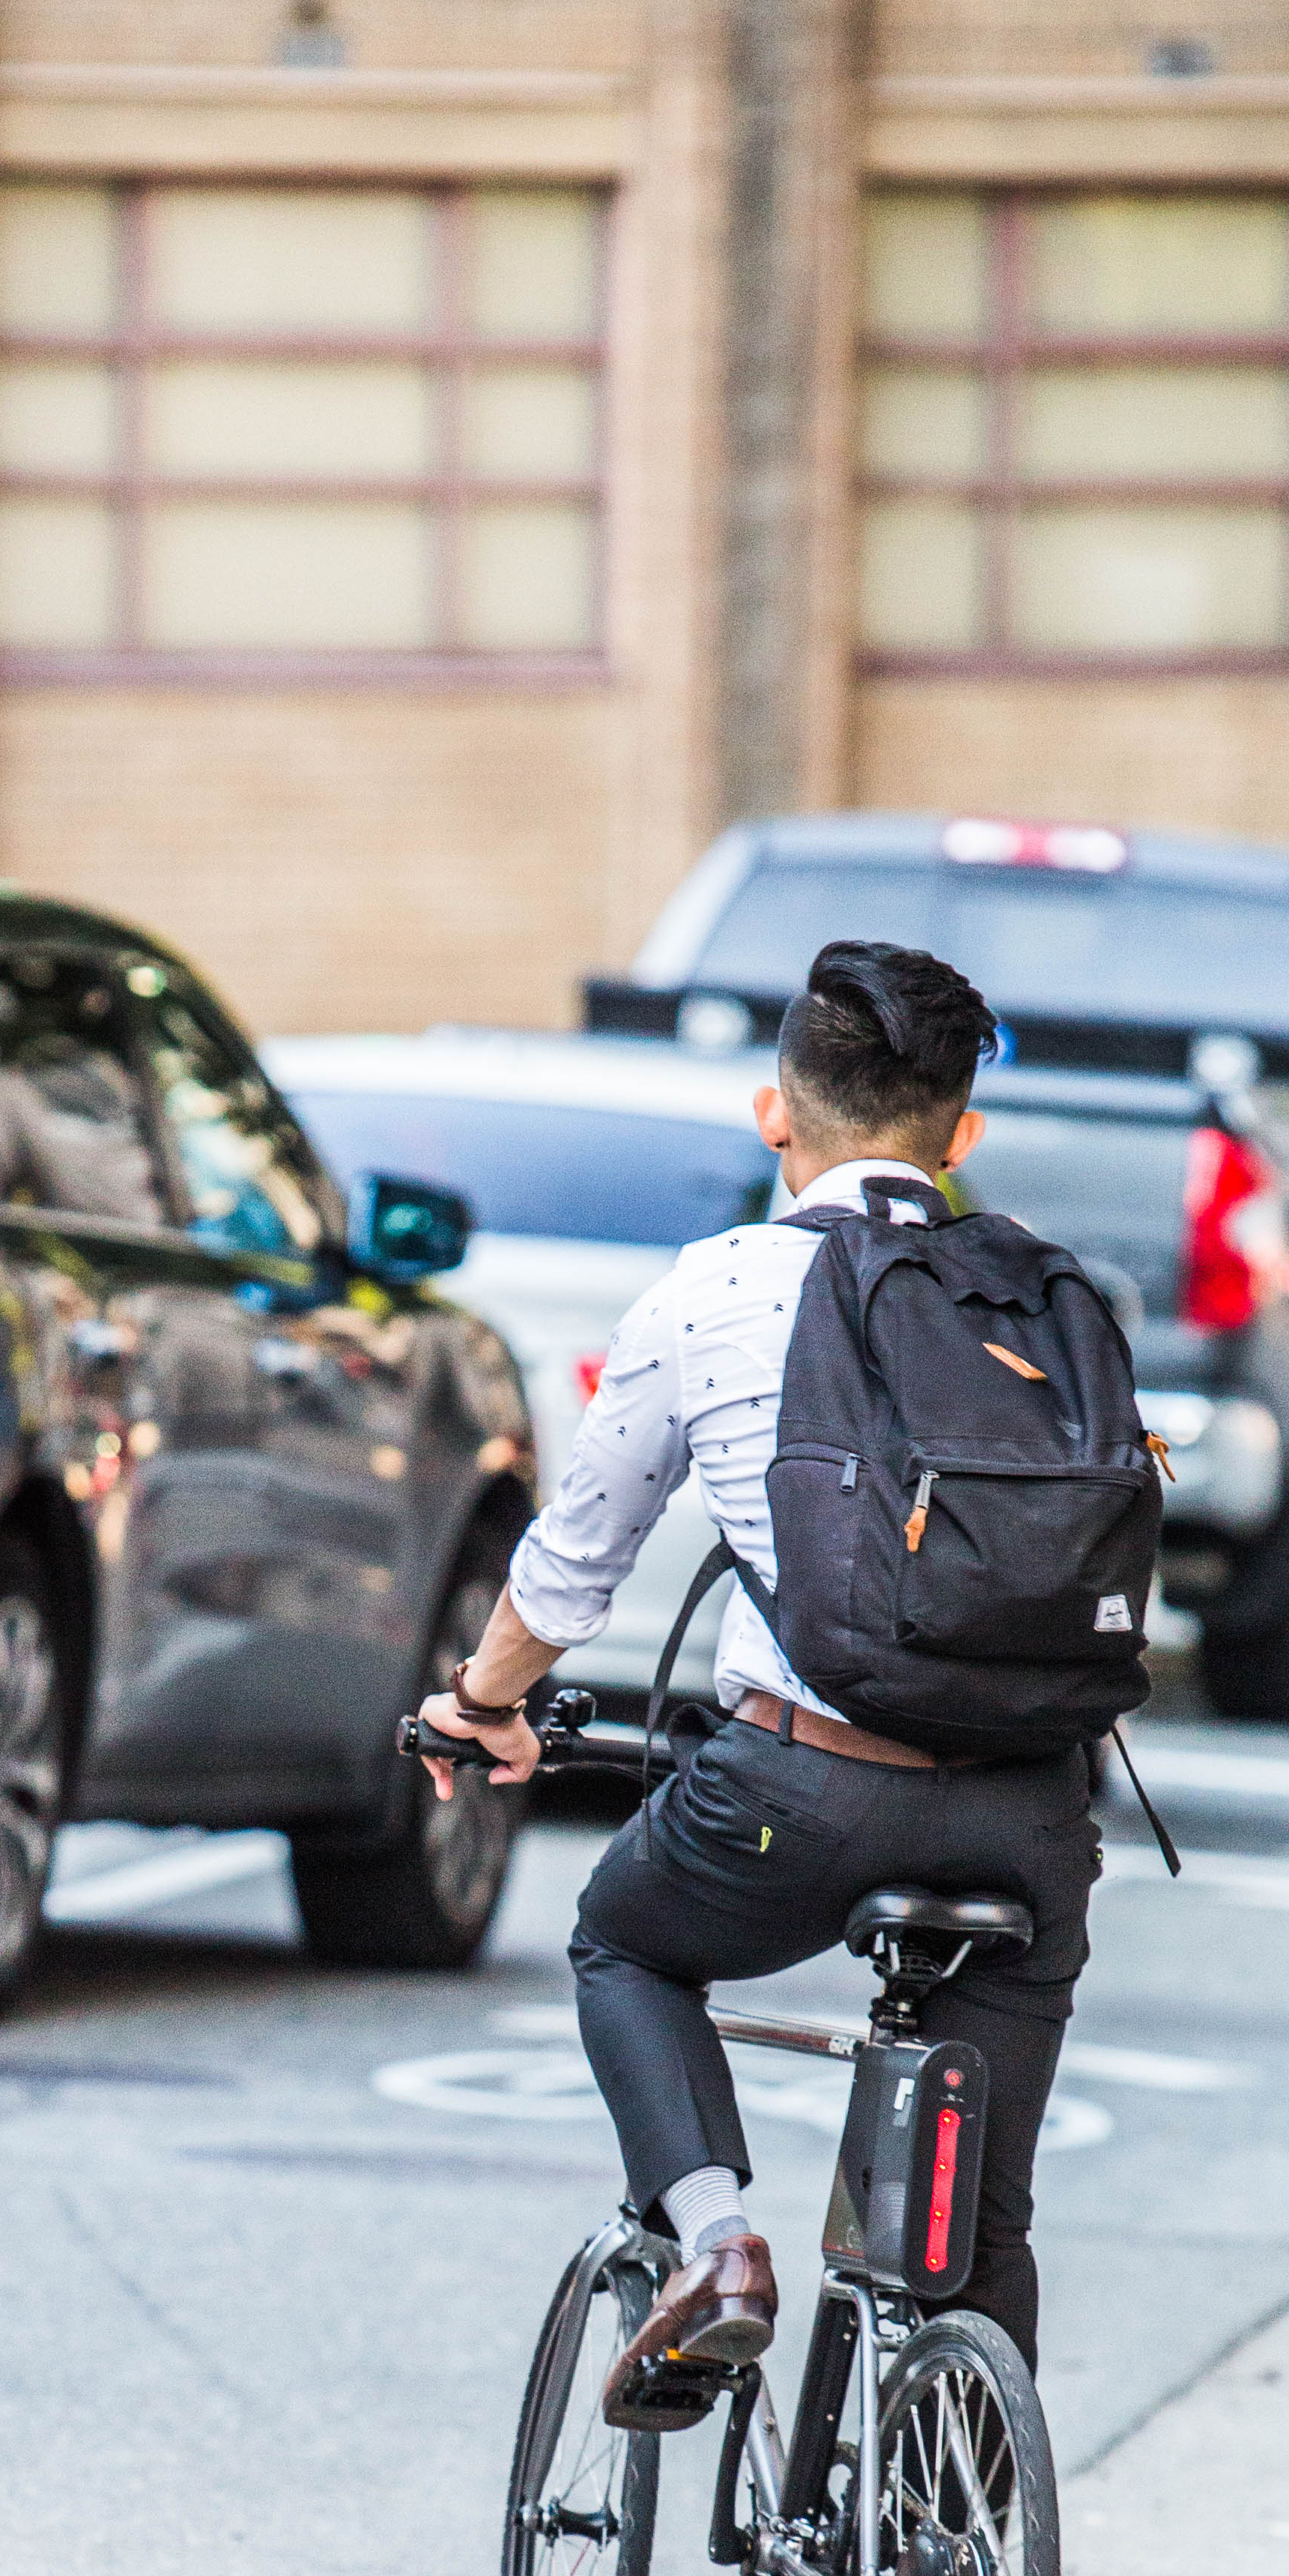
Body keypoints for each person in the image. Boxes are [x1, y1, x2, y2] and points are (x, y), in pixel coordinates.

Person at [415, 941, 1103, 2424]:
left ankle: (719, 2247)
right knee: (982, 2234)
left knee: (622, 1942)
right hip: (1031, 1823)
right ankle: (957, 2550)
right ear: (962, 1134)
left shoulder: (718, 1288)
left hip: (802, 1794)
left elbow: (574, 1562)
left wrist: (482, 1703)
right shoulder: (1050, 1299)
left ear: (774, 1112)